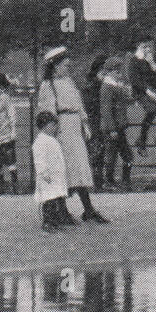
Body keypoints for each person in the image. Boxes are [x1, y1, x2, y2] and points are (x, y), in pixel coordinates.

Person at [36, 46, 109, 223]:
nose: (67, 68)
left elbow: (78, 103)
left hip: (75, 127)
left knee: (80, 167)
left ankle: (88, 209)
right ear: (55, 66)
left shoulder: (69, 82)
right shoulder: (48, 85)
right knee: (64, 169)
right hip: (62, 128)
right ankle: (62, 210)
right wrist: (53, 132)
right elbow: (47, 112)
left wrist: (85, 124)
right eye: (64, 65)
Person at [32, 111, 75, 233]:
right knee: (49, 200)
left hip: (56, 177)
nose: (55, 128)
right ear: (45, 126)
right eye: (52, 126)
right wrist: (43, 173)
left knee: (57, 198)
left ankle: (57, 220)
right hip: (48, 178)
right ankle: (47, 222)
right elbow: (39, 160)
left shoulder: (51, 140)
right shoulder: (40, 142)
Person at [98, 55, 135, 191]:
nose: (119, 74)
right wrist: (112, 129)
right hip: (111, 129)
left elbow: (126, 101)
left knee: (126, 155)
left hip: (118, 128)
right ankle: (109, 181)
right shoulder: (107, 87)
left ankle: (122, 181)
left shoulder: (115, 85)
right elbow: (106, 109)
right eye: (116, 71)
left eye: (120, 71)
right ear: (109, 72)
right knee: (112, 156)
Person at [82, 53, 108, 189]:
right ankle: (96, 181)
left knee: (99, 151)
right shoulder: (92, 86)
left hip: (100, 122)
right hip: (94, 122)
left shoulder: (100, 85)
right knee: (96, 150)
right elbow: (90, 106)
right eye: (103, 71)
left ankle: (98, 180)